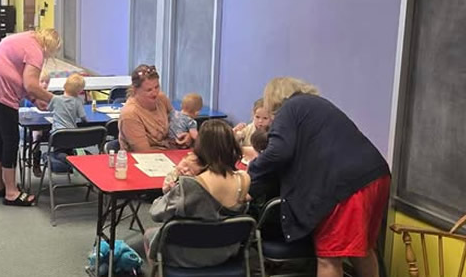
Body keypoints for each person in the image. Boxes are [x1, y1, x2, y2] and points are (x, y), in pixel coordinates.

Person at [248, 77, 390, 277]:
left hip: (344, 185)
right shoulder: (316, 106)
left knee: (329, 258)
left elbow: (278, 152)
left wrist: (250, 174)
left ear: (273, 98)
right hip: (375, 175)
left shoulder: (289, 108)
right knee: (364, 249)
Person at [146, 119, 252, 269]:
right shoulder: (244, 179)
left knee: (150, 235)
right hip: (227, 252)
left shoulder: (191, 184)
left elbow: (156, 214)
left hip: (188, 253)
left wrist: (167, 194)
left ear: (201, 147)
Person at [0, 29, 61, 206]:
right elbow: (31, 84)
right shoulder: (36, 50)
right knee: (11, 139)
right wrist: (54, 100)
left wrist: (34, 100)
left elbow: (21, 78)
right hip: (0, 89)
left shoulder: (25, 38)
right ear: (50, 46)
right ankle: (11, 192)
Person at [118, 64, 173, 152]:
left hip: (169, 151)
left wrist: (186, 135)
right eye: (149, 90)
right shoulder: (130, 114)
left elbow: (176, 123)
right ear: (135, 90)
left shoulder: (162, 99)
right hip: (144, 158)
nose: (155, 93)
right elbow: (144, 152)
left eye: (157, 87)